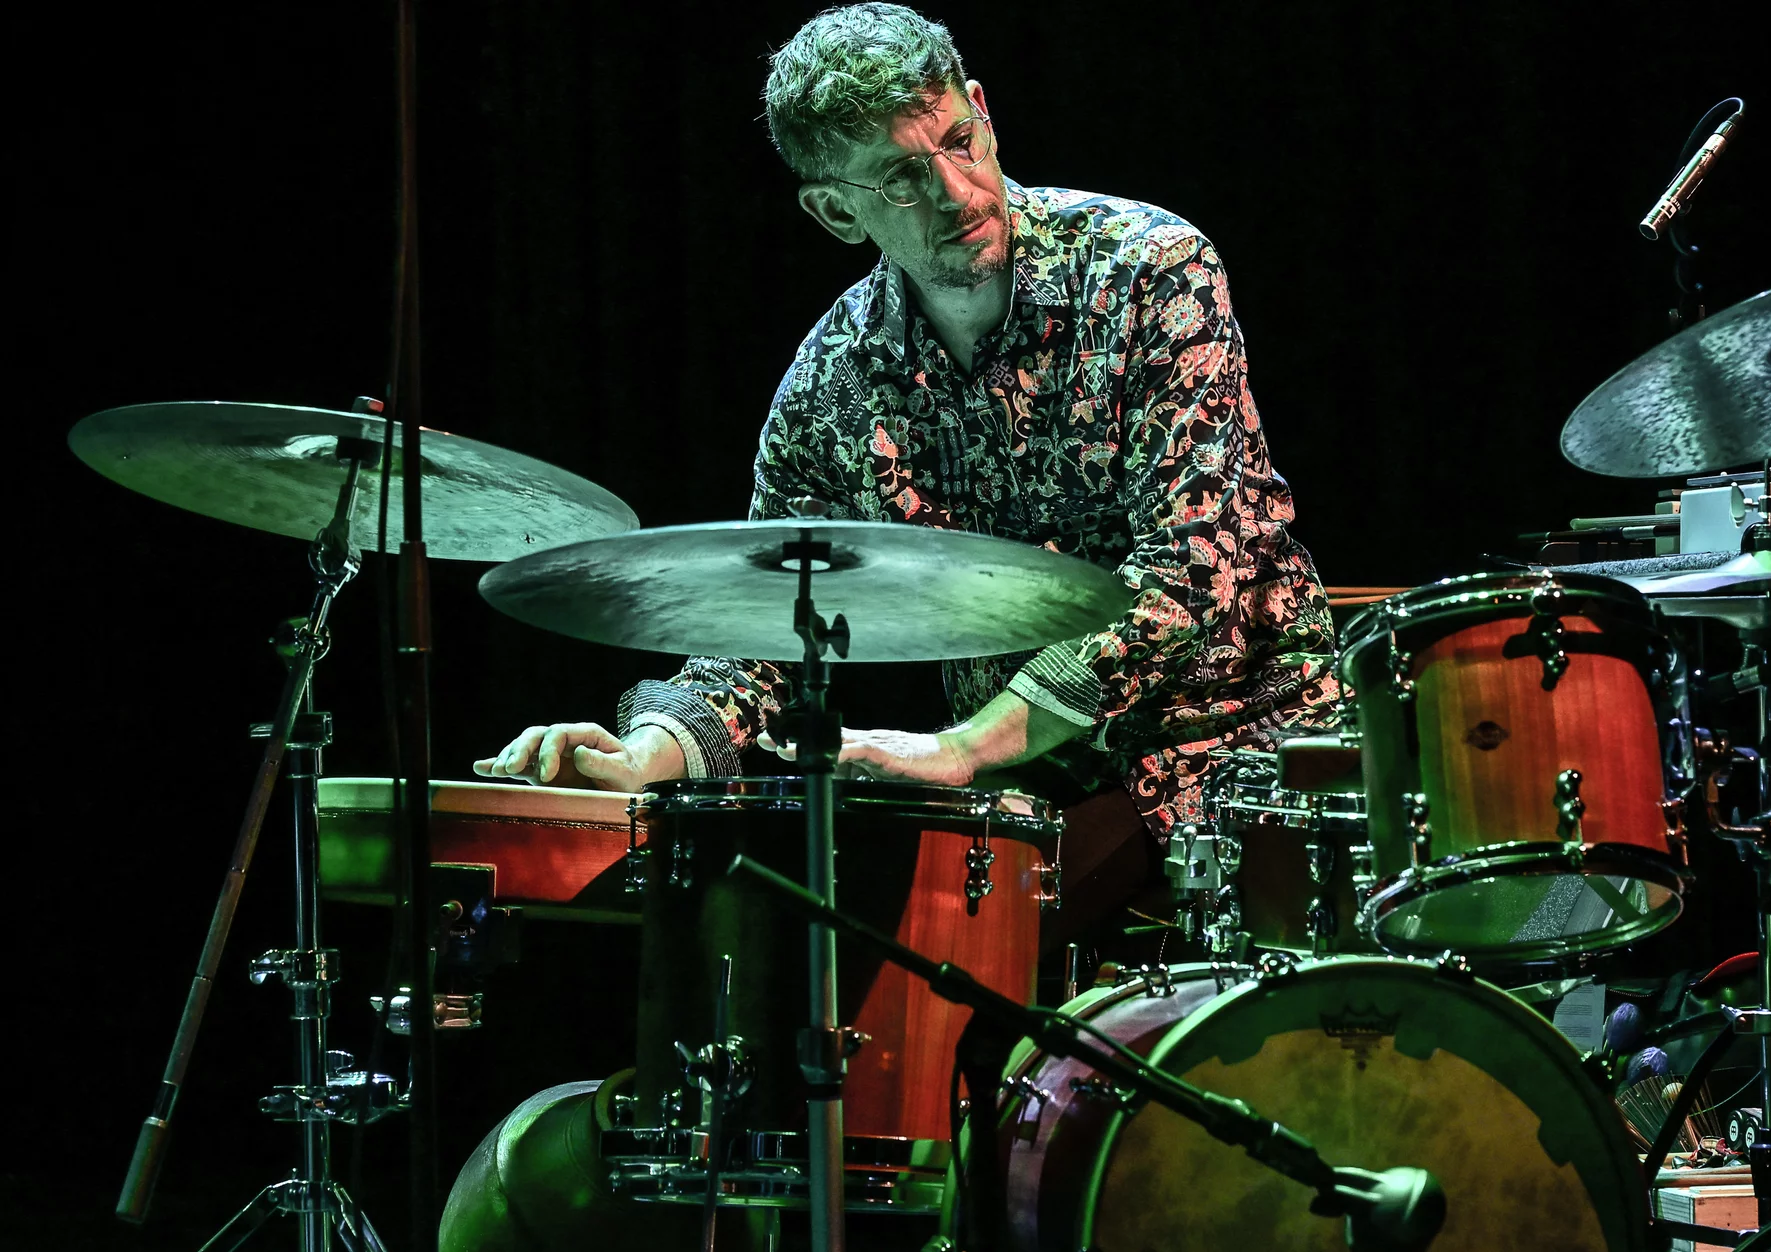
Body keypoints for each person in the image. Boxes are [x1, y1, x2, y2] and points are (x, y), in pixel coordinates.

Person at [475, 1, 1340, 885]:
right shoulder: (835, 378)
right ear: (833, 210)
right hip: (1030, 800)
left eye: (960, 142)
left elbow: (1189, 570)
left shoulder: (1152, 270)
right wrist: (640, 756)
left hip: (1247, 755)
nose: (955, 193)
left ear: (982, 110)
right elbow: (764, 630)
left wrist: (962, 747)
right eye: (898, 180)